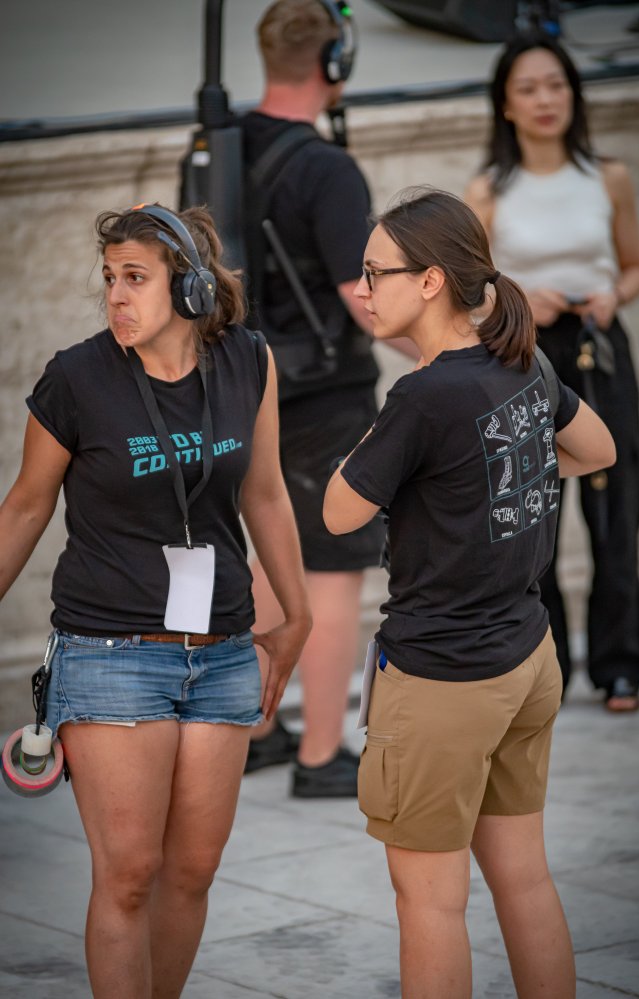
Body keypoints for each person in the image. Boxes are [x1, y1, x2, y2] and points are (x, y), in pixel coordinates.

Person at [0, 203, 311, 997]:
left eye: (134, 278)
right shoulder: (77, 377)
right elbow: (26, 506)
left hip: (224, 652)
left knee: (192, 870)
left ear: (191, 287)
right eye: (109, 278)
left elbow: (266, 492)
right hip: (109, 652)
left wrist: (297, 612)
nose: (115, 295)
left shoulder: (248, 360)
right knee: (130, 872)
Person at [323, 187, 616, 998]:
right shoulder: (521, 360)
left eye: (374, 272)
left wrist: (397, 430)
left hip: (443, 678)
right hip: (526, 657)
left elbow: (339, 510)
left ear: (428, 282)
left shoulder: (422, 396)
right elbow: (595, 448)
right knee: (524, 879)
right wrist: (495, 479)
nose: (361, 289)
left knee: (429, 901)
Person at [241, 0, 413, 796]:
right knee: (333, 568)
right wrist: (449, 349)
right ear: (332, 64)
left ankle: (256, 729)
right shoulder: (327, 169)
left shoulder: (216, 147)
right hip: (324, 394)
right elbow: (362, 295)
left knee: (266, 557)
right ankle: (318, 755)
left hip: (246, 383)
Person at [465, 34, 639, 710]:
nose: (545, 100)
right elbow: (472, 292)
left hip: (599, 345)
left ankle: (619, 665)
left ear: (574, 93)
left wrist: (614, 294)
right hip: (526, 353)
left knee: (617, 504)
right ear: (505, 105)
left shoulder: (608, 175)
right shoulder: (488, 190)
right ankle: (549, 666)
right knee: (534, 513)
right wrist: (517, 298)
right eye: (528, 88)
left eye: (556, 84)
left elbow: (634, 267)